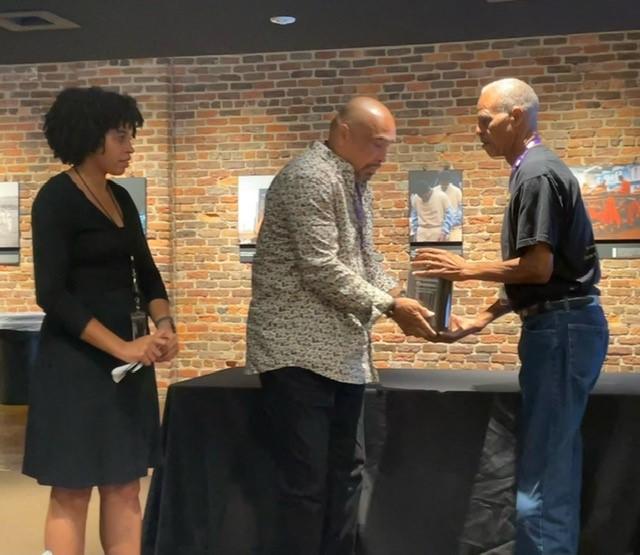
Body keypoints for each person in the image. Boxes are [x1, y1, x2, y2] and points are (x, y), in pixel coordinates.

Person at [412, 78, 608, 554]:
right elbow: (542, 272)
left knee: (542, 479)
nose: (478, 131)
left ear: (515, 117)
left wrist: (466, 269)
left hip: (560, 331)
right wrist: (484, 316)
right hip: (564, 327)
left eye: (485, 120)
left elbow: (538, 268)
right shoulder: (534, 171)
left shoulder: (536, 175)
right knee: (553, 469)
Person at [246, 96, 435, 555]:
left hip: (343, 356)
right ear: (344, 133)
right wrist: (391, 306)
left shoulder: (354, 182)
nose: (384, 157)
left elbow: (365, 259)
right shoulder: (309, 177)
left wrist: (402, 299)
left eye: (388, 146)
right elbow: (321, 268)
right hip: (297, 356)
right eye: (377, 144)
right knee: (305, 485)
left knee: (345, 475)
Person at [23, 86, 179, 555]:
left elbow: (147, 273)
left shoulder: (121, 198)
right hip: (76, 361)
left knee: (124, 483)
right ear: (91, 137)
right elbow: (52, 294)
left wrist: (164, 325)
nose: (130, 147)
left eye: (131, 136)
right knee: (72, 489)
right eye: (121, 136)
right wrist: (122, 346)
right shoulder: (55, 198)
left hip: (127, 363)